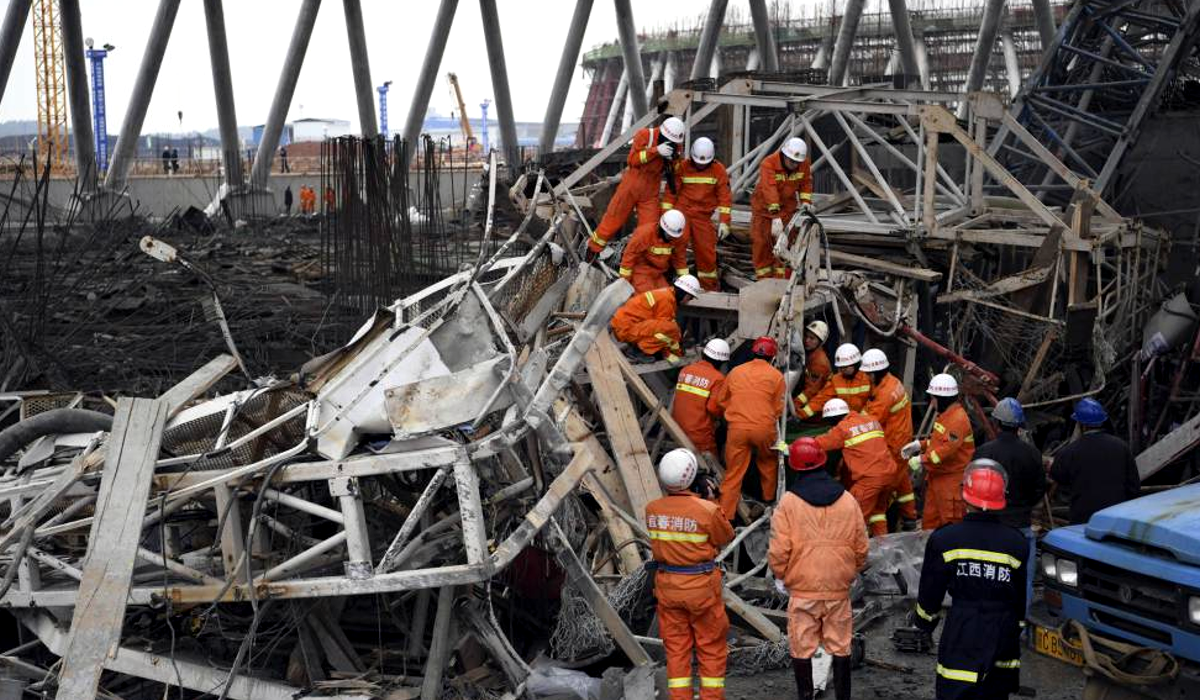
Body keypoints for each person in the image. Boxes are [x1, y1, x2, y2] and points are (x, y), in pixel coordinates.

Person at [911, 459, 1027, 700]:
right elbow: (1019, 597)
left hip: (964, 626)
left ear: (965, 496)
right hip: (1002, 630)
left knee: (957, 688)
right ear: (1001, 500)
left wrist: (924, 623)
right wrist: (1015, 628)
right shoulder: (1016, 543)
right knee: (995, 692)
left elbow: (931, 592)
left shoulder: (946, 539)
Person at [769, 437, 868, 700]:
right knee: (841, 646)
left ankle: (805, 696)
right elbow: (861, 545)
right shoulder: (847, 499)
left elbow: (779, 548)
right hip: (838, 587)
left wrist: (780, 575)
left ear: (796, 467)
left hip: (802, 589)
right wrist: (850, 571)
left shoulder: (789, 502)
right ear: (823, 462)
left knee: (802, 647)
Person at [645, 448, 735, 700]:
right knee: (711, 647)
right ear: (693, 476)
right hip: (702, 588)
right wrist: (711, 500)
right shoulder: (707, 510)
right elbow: (725, 536)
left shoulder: (653, 510)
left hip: (668, 588)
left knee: (676, 650)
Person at [974, 397, 1045, 612]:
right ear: (1020, 426)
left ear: (996, 423)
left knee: (987, 577)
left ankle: (987, 620)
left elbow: (974, 487)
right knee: (1022, 580)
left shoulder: (984, 453)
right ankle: (1018, 627)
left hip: (989, 525)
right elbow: (1039, 490)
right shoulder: (1032, 454)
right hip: (1021, 526)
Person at [586, 116, 686, 260]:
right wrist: (655, 151)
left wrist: (673, 161)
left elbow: (675, 172)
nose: (673, 144)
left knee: (650, 227)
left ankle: (642, 261)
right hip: (632, 183)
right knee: (613, 218)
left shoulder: (676, 145)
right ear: (663, 133)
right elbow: (632, 160)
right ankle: (592, 250)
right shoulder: (645, 135)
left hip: (651, 189)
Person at [711, 336, 786, 520]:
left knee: (734, 473)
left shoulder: (736, 371)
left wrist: (737, 411)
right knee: (767, 461)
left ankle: (725, 516)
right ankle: (768, 502)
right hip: (764, 429)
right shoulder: (777, 376)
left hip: (737, 428)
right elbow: (778, 409)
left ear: (752, 352)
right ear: (772, 357)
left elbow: (720, 400)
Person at [1050, 398, 1139, 524]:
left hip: (1083, 520)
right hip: (1117, 518)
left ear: (1081, 424)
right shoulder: (1122, 447)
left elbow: (1057, 476)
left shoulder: (1070, 452)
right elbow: (1133, 487)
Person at [903, 373, 976, 529]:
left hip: (951, 482)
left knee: (950, 526)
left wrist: (921, 459)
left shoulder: (957, 420)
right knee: (930, 523)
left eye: (933, 398)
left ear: (943, 399)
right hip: (937, 479)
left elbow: (946, 450)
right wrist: (920, 445)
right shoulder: (945, 416)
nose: (932, 402)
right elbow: (938, 442)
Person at [815, 398, 896, 536]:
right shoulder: (870, 420)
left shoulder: (842, 428)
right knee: (878, 513)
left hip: (870, 480)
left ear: (833, 418)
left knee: (852, 519)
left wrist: (789, 448)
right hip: (889, 474)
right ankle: (884, 548)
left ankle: (854, 554)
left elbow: (819, 444)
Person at [663, 137, 732, 291]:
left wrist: (724, 222)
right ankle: (681, 284)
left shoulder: (718, 170)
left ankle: (709, 289)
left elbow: (725, 197)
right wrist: (667, 215)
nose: (701, 165)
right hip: (683, 212)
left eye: (705, 162)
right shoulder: (682, 166)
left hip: (703, 216)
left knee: (706, 252)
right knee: (678, 246)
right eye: (698, 162)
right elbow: (671, 193)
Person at [861, 348, 919, 530]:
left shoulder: (885, 394)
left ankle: (882, 538)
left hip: (892, 447)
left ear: (877, 372)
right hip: (901, 443)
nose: (867, 379)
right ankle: (910, 519)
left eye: (869, 374)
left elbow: (871, 420)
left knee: (880, 499)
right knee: (903, 483)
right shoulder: (893, 382)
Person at [749, 137, 812, 279]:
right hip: (763, 211)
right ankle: (764, 281)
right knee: (761, 244)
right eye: (792, 161)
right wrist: (775, 216)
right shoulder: (769, 163)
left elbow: (806, 183)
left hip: (787, 211)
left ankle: (782, 282)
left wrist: (806, 200)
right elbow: (769, 188)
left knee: (785, 246)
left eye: (797, 162)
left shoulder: (803, 165)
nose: (795, 165)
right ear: (784, 155)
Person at [610, 275, 702, 364]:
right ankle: (636, 351)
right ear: (685, 294)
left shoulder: (667, 295)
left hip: (625, 325)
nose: (688, 302)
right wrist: (673, 354)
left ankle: (641, 347)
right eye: (690, 298)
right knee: (671, 328)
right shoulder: (667, 300)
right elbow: (666, 331)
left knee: (670, 328)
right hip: (625, 329)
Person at [672, 339, 730, 458]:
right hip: (699, 435)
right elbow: (713, 408)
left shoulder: (686, 370)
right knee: (711, 468)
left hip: (676, 430)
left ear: (704, 354)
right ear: (721, 362)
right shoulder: (717, 378)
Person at [618, 209, 691, 293]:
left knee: (666, 296)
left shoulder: (676, 237)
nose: (671, 238)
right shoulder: (644, 234)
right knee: (647, 297)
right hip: (641, 270)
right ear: (662, 228)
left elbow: (680, 259)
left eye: (673, 236)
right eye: (669, 235)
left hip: (659, 273)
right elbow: (629, 257)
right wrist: (623, 282)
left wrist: (685, 281)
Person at [805, 343, 871, 417]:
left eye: (845, 367)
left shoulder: (868, 379)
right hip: (844, 421)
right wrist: (802, 414)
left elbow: (874, 403)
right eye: (840, 367)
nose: (842, 370)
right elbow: (820, 400)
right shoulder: (836, 380)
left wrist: (859, 419)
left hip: (864, 421)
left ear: (855, 364)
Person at [792, 320, 831, 420]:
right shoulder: (811, 355)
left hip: (816, 407)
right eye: (806, 336)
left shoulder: (819, 363)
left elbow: (811, 390)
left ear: (820, 342)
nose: (807, 341)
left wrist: (794, 404)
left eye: (812, 338)